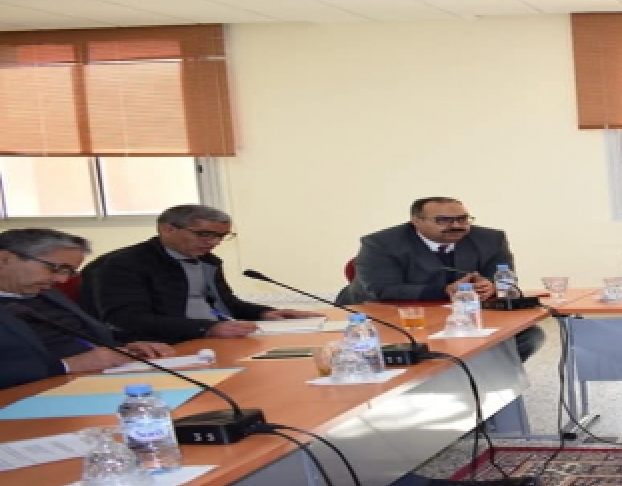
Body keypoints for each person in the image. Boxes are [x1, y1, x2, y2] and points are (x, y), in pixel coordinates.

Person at [80, 205, 320, 345]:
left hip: (209, 341)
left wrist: (265, 313)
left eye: (221, 236)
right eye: (204, 235)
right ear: (167, 229)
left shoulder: (207, 262)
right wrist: (207, 328)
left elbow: (226, 304)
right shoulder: (122, 264)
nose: (214, 243)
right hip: (164, 347)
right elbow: (126, 319)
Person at [337, 197, 543, 359]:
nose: (456, 225)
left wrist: (491, 285)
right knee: (419, 348)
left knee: (529, 336)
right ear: (416, 221)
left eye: (463, 219)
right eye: (443, 220)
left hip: (459, 315)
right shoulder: (381, 243)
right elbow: (382, 289)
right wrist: (445, 290)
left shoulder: (490, 239)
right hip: (384, 315)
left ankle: (487, 385)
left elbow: (504, 276)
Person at [1, 229, 175, 390]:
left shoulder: (46, 292)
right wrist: (67, 365)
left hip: (101, 377)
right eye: (55, 268)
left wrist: (123, 347)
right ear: (5, 259)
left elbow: (79, 335)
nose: (62, 280)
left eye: (69, 272)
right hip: (37, 392)